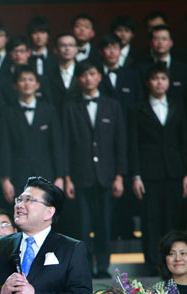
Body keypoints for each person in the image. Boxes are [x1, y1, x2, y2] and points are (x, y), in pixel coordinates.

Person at [64, 60, 127, 278]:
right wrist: (67, 177)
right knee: (82, 227)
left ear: (99, 77)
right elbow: (65, 145)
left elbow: (120, 143)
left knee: (104, 225)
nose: (88, 78)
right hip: (80, 177)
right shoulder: (70, 107)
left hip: (107, 176)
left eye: (92, 73)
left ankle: (102, 267)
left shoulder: (113, 105)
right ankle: (84, 267)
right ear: (78, 79)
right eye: (84, 75)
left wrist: (120, 176)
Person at [129, 63, 187, 275]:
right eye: (155, 78)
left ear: (168, 81)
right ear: (148, 82)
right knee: (151, 221)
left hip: (175, 172)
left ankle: (177, 267)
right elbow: (133, 144)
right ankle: (153, 268)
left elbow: (182, 143)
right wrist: (136, 175)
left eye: (163, 78)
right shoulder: (137, 107)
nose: (159, 82)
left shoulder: (177, 105)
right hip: (149, 174)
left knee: (174, 220)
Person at [0, 65, 64, 204]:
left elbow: (57, 145)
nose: (27, 83)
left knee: (45, 217)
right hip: (18, 175)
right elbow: (4, 147)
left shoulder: (49, 111)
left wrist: (60, 176)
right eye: (22, 80)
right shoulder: (7, 112)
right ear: (15, 86)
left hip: (46, 174)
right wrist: (5, 178)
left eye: (30, 79)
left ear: (37, 85)